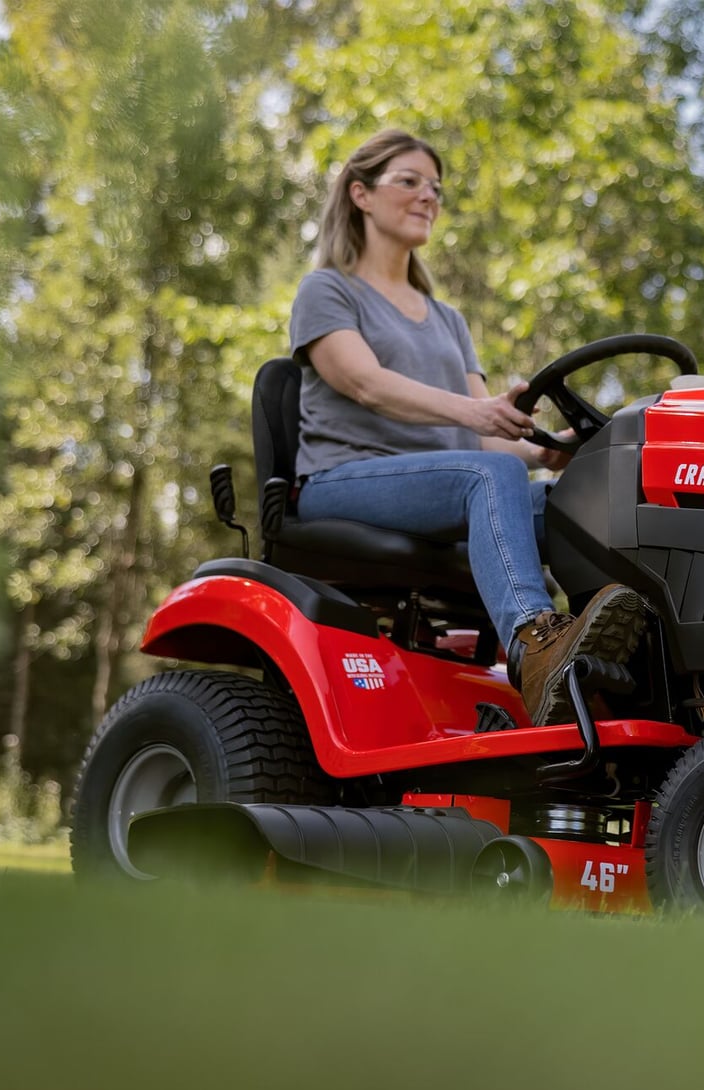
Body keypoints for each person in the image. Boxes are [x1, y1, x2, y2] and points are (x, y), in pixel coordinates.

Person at [287, 129, 644, 727]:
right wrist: (475, 413)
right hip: (341, 480)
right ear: (360, 194)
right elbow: (365, 383)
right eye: (409, 181)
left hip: (444, 488)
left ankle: (623, 666)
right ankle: (535, 646)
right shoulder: (327, 291)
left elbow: (485, 438)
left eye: (435, 187)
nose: (428, 195)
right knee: (488, 476)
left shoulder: (447, 319)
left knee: (587, 501)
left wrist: (549, 452)